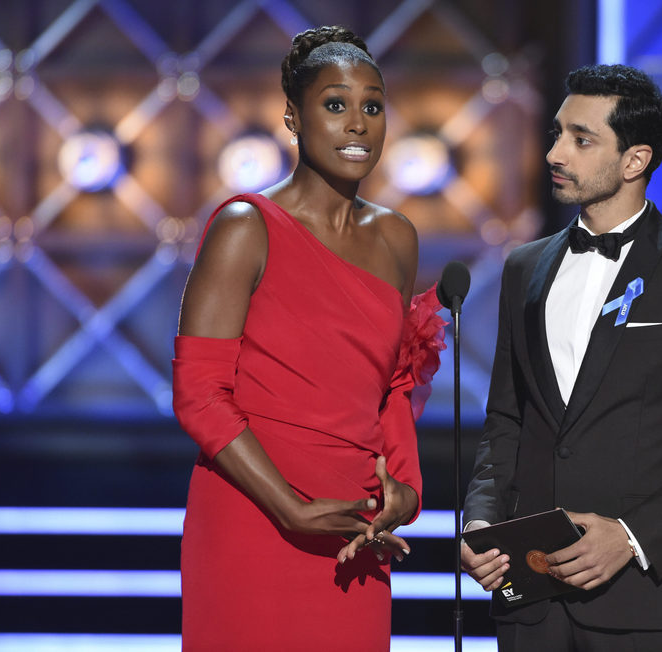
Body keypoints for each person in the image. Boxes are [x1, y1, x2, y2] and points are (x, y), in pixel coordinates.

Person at [460, 63, 662, 651]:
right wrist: (481, 522)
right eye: (557, 133)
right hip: (530, 606)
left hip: (644, 609)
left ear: (635, 161)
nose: (556, 152)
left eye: (581, 139)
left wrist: (633, 536)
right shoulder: (523, 268)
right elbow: (506, 418)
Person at [171, 26, 445, 651]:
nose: (357, 124)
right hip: (252, 514)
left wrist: (403, 488)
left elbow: (394, 384)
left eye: (372, 107)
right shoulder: (246, 227)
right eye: (335, 105)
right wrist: (289, 507)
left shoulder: (397, 238)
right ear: (292, 118)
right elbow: (198, 392)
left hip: (353, 528)